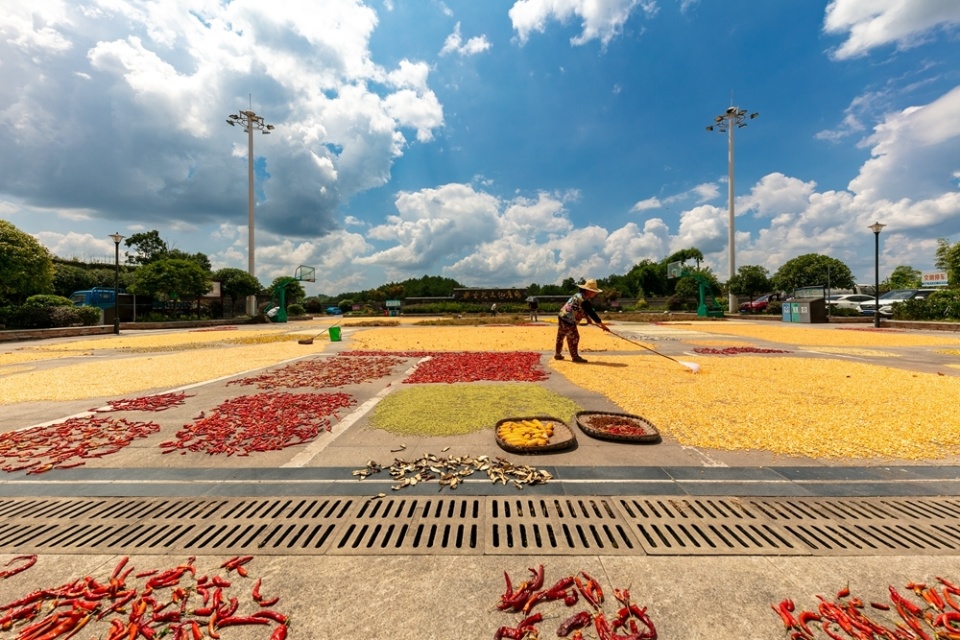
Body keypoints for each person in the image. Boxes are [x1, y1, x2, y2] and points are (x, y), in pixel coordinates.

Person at [555, 279, 610, 363]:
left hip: (562, 316)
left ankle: (558, 354)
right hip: (569, 318)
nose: (594, 293)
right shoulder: (583, 300)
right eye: (593, 291)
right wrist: (603, 326)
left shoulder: (578, 296)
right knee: (574, 337)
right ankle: (575, 357)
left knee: (561, 334)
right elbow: (592, 313)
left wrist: (588, 319)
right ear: (588, 291)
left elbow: (583, 311)